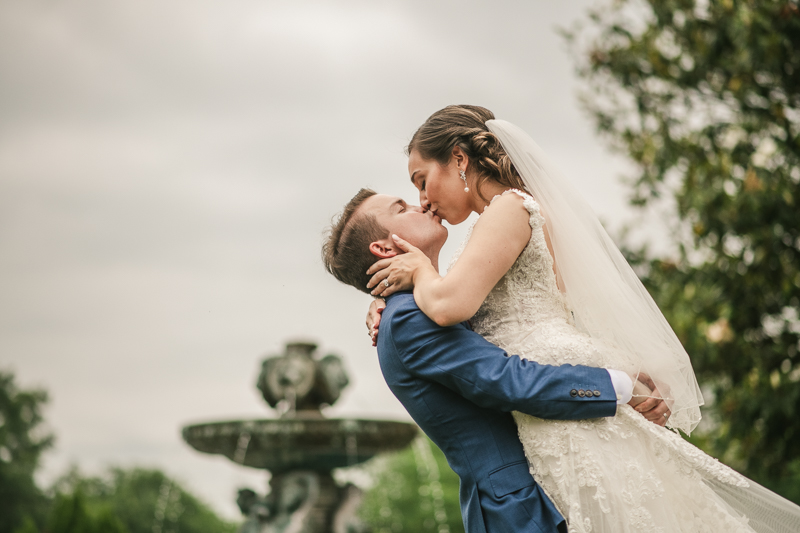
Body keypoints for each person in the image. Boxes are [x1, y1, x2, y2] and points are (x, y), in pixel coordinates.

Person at [364, 105, 800, 532]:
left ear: (459, 158)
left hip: (559, 402)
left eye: (423, 181)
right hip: (554, 402)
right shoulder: (506, 219)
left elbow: (450, 306)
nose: (424, 199)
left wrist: (419, 272)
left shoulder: (508, 209)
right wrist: (391, 297)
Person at [322, 188, 659, 533]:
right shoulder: (408, 318)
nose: (420, 203)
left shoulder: (435, 302)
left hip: (549, 482)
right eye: (402, 207)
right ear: (384, 248)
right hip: (517, 509)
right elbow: (507, 380)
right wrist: (616, 387)